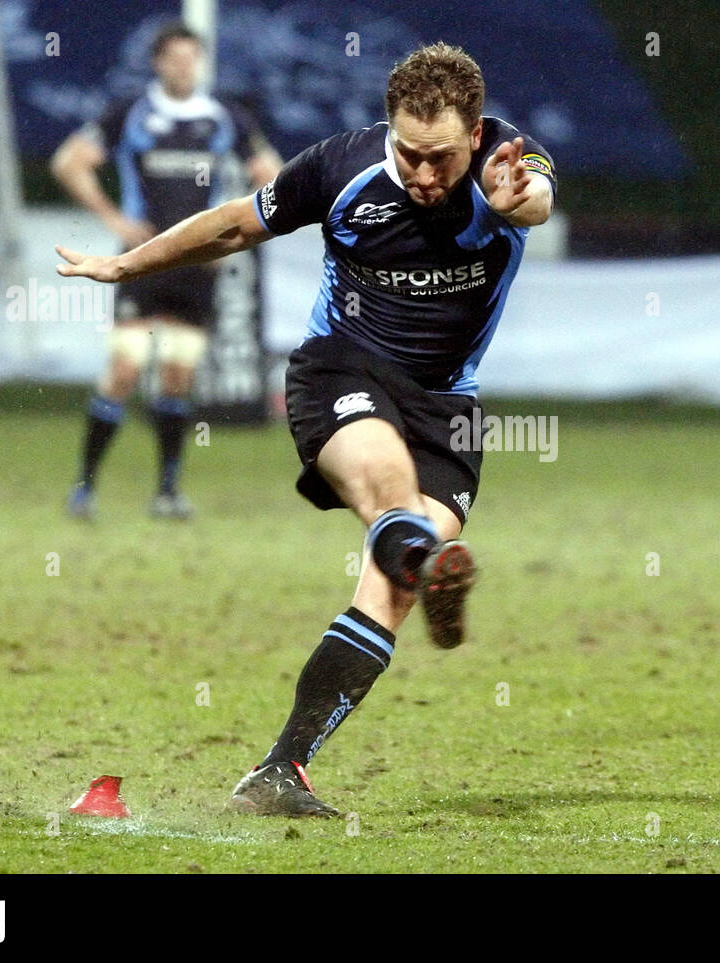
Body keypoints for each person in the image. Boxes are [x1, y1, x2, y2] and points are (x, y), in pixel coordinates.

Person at [56, 42, 555, 815]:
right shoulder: (340, 168)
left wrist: (509, 197)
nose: (425, 175)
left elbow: (535, 202)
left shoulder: (509, 160)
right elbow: (231, 226)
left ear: (477, 134)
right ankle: (423, 555)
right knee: (391, 499)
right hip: (340, 374)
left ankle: (280, 770)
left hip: (448, 408)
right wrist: (127, 267)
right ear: (389, 130)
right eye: (410, 154)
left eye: (443, 159)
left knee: (387, 589)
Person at [52, 21, 281, 520]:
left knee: (177, 376)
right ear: (158, 63)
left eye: (190, 58)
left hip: (198, 266)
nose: (182, 67)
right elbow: (69, 161)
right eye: (173, 58)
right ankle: (84, 489)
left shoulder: (225, 118)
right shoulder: (133, 113)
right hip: (140, 262)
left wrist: (234, 229)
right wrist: (115, 220)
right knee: (125, 368)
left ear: (199, 62)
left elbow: (274, 175)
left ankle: (167, 492)